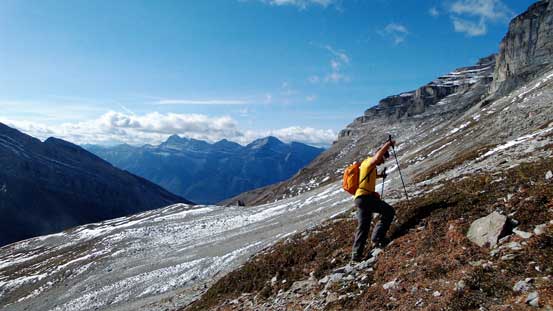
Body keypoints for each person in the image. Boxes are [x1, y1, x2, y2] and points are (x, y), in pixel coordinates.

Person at [351, 140, 396, 262]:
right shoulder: (370, 162)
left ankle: (356, 255)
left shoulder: (367, 165)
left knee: (363, 227)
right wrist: (388, 144)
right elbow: (377, 157)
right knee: (389, 211)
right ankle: (377, 238)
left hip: (360, 198)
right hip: (366, 198)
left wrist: (380, 176)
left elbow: (368, 176)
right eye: (382, 158)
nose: (382, 161)